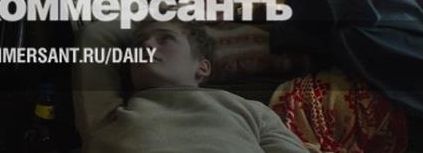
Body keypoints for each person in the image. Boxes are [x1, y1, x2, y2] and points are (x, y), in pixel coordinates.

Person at [74, 16, 308, 152]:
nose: (146, 46)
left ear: (202, 67)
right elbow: (97, 34)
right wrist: (168, 11)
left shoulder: (249, 110)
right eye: (139, 43)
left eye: (165, 39)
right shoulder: (108, 117)